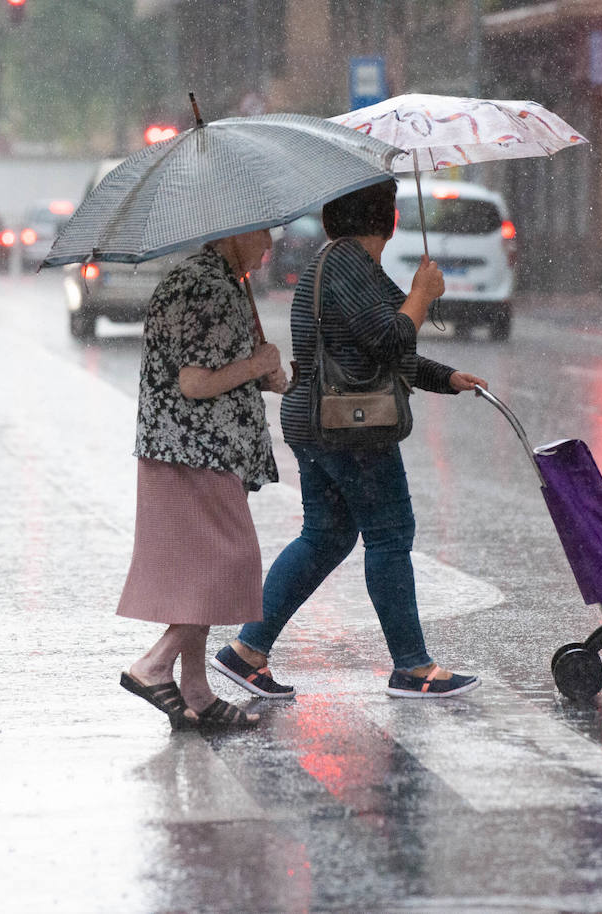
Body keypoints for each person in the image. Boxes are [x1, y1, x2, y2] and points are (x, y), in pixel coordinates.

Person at [211, 180, 489, 700]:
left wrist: (447, 377)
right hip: (348, 426)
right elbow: (390, 336)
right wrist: (423, 296)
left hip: (325, 421)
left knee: (328, 535)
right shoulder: (344, 265)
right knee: (389, 533)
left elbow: (387, 349)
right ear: (388, 219)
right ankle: (413, 667)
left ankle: (247, 652)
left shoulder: (347, 264)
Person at [118, 228, 289, 730]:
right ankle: (154, 665)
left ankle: (194, 688)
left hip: (192, 449)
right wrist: (256, 364)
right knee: (229, 564)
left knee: (199, 574)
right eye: (263, 233)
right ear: (235, 231)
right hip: (193, 450)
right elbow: (195, 383)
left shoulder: (222, 280)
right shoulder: (205, 285)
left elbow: (209, 365)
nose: (269, 246)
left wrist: (263, 374)